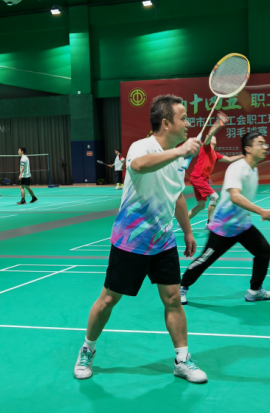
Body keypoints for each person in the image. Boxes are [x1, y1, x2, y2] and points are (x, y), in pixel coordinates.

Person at [73, 95, 207, 383]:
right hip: (131, 241)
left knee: (173, 299)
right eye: (183, 118)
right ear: (166, 123)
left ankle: (182, 359)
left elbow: (176, 195)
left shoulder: (178, 157)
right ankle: (87, 349)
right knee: (109, 299)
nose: (188, 123)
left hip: (163, 240)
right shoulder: (142, 146)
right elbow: (140, 166)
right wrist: (180, 151)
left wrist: (187, 230)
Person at [180, 131, 270, 305]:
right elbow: (235, 196)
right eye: (260, 143)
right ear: (248, 148)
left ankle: (255, 290)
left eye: (265, 143)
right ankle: (182, 287)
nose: (265, 147)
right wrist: (261, 211)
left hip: (243, 225)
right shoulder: (238, 168)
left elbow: (243, 197)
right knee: (205, 259)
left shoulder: (253, 169)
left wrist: (250, 213)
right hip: (224, 227)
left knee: (264, 251)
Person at [188, 113, 243, 229]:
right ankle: (209, 223)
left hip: (201, 179)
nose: (214, 138)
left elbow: (229, 159)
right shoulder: (205, 147)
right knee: (214, 197)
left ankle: (183, 221)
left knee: (201, 205)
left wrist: (244, 155)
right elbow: (210, 134)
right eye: (212, 138)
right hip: (198, 177)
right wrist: (219, 123)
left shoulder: (215, 154)